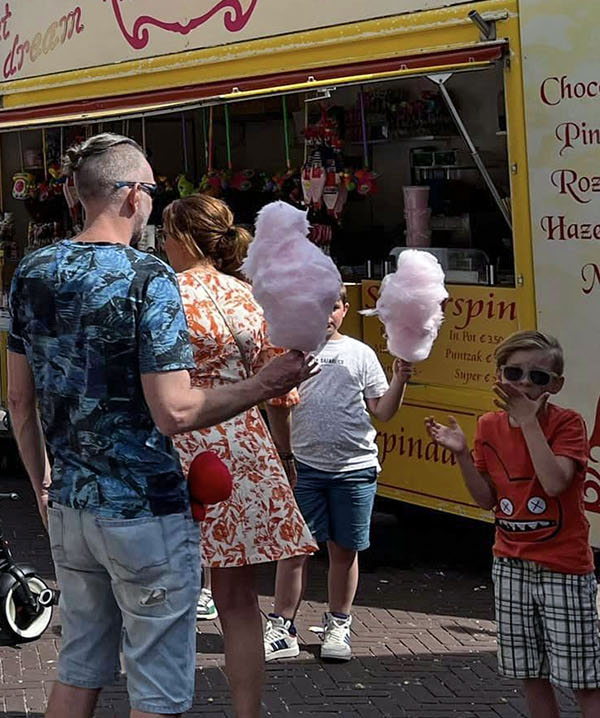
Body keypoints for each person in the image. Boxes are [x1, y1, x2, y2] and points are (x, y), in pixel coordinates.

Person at [4, 134, 314, 718]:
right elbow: (174, 410)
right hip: (144, 506)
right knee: (158, 687)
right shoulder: (149, 277)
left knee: (77, 669)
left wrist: (44, 484)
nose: (151, 200)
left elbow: (19, 401)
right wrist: (264, 385)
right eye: (149, 189)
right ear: (128, 196)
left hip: (71, 502)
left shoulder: (33, 271)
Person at [158, 194, 316, 717]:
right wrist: (286, 456)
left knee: (168, 597)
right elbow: (282, 391)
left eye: (164, 232)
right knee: (240, 602)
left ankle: (164, 705)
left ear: (181, 237)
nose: (160, 242)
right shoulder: (250, 298)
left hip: (180, 445)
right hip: (246, 449)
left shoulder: (161, 293)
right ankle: (247, 712)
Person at [425, 331, 600, 718]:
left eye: (537, 378)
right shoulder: (488, 426)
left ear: (555, 385)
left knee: (584, 679)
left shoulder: (568, 423)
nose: (524, 384)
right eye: (514, 373)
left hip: (564, 569)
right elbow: (487, 499)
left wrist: (528, 423)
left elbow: (555, 482)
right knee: (531, 675)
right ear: (500, 376)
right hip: (510, 566)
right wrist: (462, 457)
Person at [268, 285, 412, 663]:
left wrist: (400, 378)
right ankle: (282, 627)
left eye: (332, 307)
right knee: (295, 549)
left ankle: (338, 623)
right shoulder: (291, 354)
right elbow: (276, 404)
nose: (325, 315)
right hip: (305, 468)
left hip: (355, 469)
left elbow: (382, 411)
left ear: (344, 310)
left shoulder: (360, 354)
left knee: (344, 550)